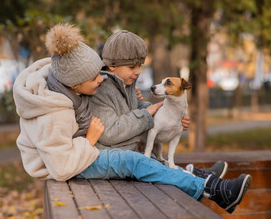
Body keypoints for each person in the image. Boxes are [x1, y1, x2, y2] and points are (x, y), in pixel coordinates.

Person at [13, 23, 251, 214]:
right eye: (96, 75)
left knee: (143, 157)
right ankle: (212, 189)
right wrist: (90, 140)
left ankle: (199, 177)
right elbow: (61, 166)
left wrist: (164, 116)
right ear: (76, 83)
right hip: (74, 162)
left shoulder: (77, 88)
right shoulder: (55, 113)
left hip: (83, 152)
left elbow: (129, 112)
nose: (101, 78)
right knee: (136, 161)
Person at [89, 30, 225, 177]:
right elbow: (109, 133)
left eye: (140, 66)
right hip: (115, 158)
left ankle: (199, 175)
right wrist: (146, 115)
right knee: (163, 172)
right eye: (132, 67)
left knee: (164, 164)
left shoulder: (126, 84)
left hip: (130, 152)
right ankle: (207, 185)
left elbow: (134, 109)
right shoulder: (101, 89)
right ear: (112, 66)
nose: (138, 72)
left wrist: (167, 115)